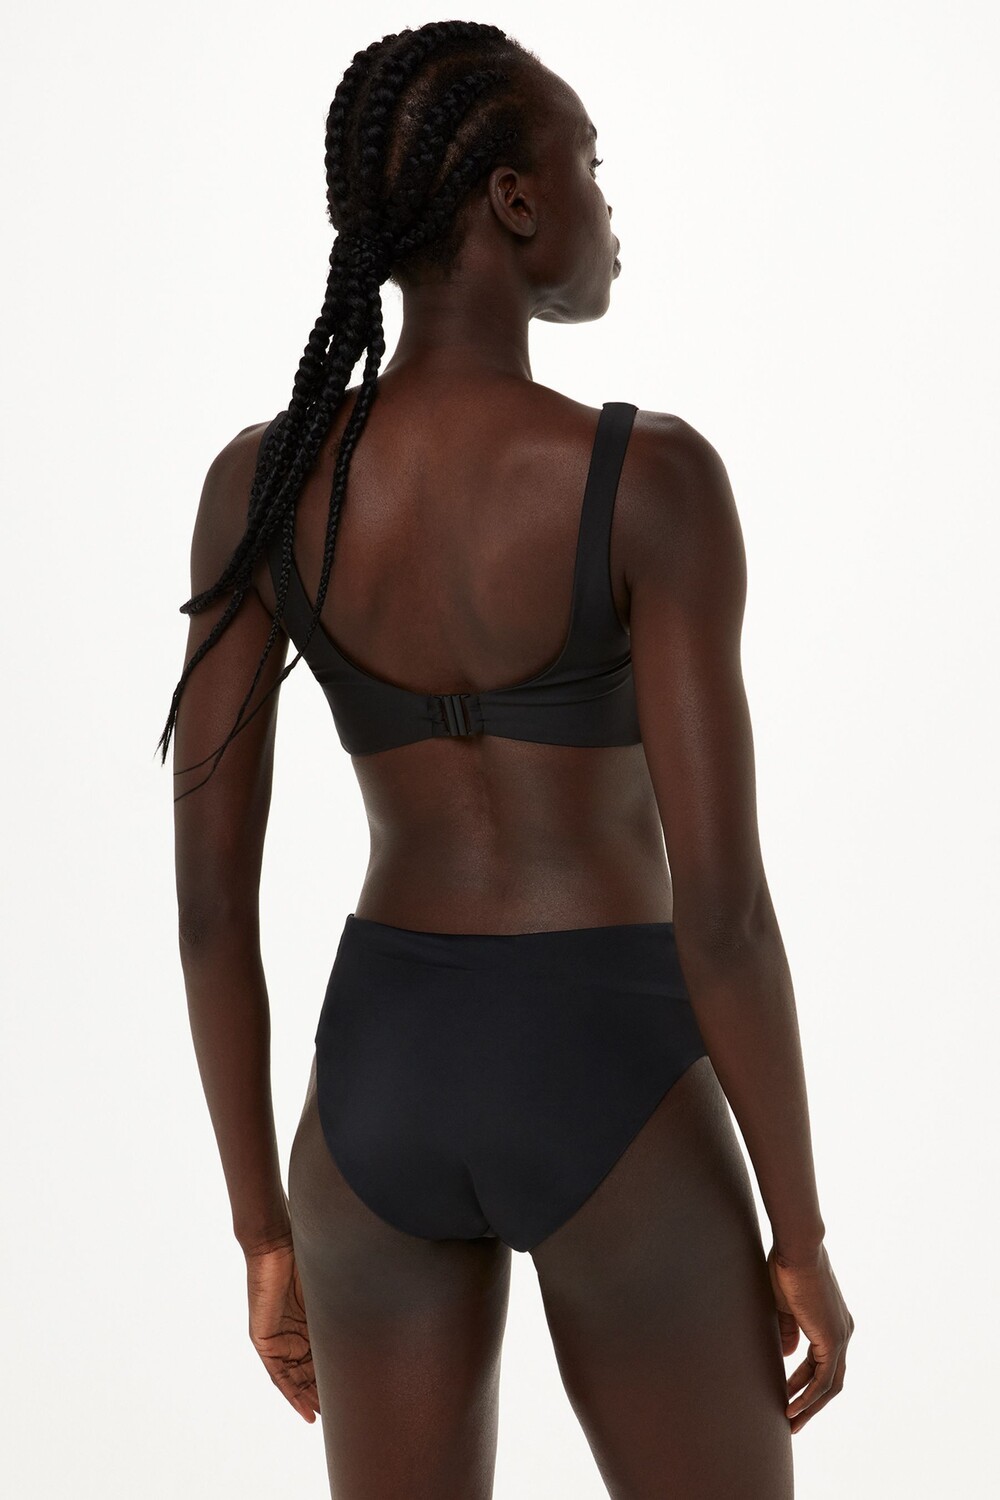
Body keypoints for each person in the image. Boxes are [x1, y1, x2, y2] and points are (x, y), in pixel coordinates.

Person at [161, 19, 853, 1499]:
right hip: (607, 1061)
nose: (609, 201)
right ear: (515, 200)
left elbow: (211, 914)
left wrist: (263, 1229)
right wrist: (797, 1233)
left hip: (377, 1080)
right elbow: (724, 914)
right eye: (590, 162)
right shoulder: (648, 482)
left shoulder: (264, 487)